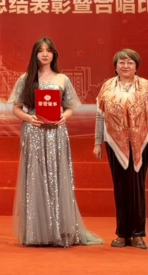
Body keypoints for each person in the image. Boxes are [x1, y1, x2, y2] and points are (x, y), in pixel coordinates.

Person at [9, 37, 102, 247]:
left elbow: (69, 107)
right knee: (36, 177)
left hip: (57, 133)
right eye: (40, 50)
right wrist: (29, 118)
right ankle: (36, 233)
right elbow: (16, 108)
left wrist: (64, 117)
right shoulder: (26, 79)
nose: (45, 54)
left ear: (54, 54)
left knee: (57, 176)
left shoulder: (62, 79)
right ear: (35, 55)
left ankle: (60, 230)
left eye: (48, 50)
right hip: (33, 132)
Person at [93, 48, 148, 250]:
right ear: (115, 66)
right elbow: (100, 116)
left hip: (140, 142)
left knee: (137, 187)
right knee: (120, 187)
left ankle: (138, 234)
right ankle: (122, 234)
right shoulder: (107, 87)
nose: (125, 66)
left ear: (136, 66)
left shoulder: (146, 87)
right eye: (121, 62)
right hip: (114, 143)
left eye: (130, 62)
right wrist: (97, 142)